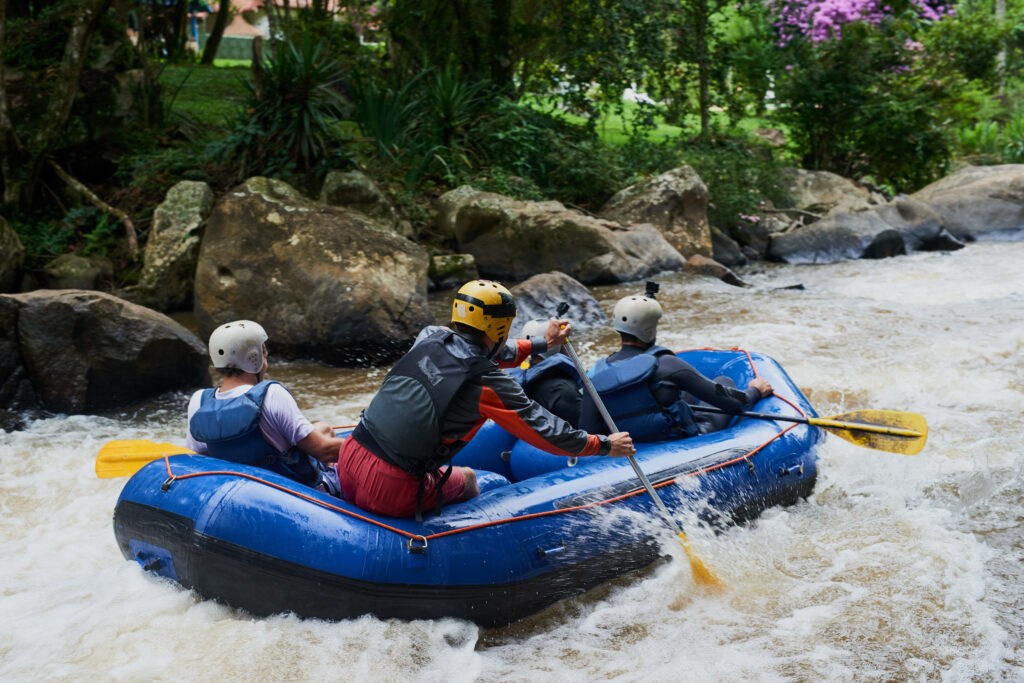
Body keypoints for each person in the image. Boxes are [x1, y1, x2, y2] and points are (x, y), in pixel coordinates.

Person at [336, 279, 636, 520]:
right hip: (389, 489)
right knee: (470, 480)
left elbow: (484, 351)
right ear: (500, 327)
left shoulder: (430, 335)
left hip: (349, 458)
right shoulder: (487, 383)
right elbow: (544, 431)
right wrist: (605, 445)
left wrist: (544, 343)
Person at [580, 283, 772, 441]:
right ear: (649, 330)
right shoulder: (668, 365)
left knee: (679, 394)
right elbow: (734, 403)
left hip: (630, 448)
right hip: (677, 443)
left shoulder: (594, 374)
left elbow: (589, 431)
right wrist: (756, 390)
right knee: (724, 381)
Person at [186, 320, 345, 494]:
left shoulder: (199, 401)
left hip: (240, 493)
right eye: (264, 352)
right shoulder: (272, 394)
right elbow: (324, 451)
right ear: (254, 358)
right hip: (298, 492)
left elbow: (199, 458)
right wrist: (365, 448)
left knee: (323, 428)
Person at [507, 319, 583, 427]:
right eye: (563, 343)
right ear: (556, 345)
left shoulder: (524, 380)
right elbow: (589, 431)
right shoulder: (563, 390)